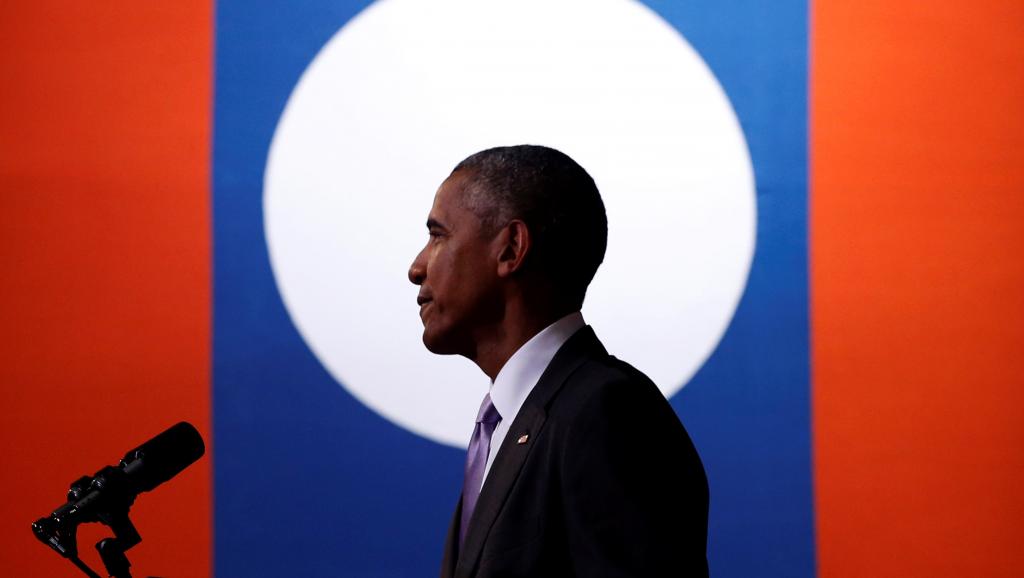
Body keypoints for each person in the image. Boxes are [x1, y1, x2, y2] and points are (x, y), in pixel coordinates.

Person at [408, 145, 709, 577]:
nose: (416, 268)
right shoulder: (507, 422)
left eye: (438, 236)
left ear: (511, 249)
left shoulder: (606, 413)